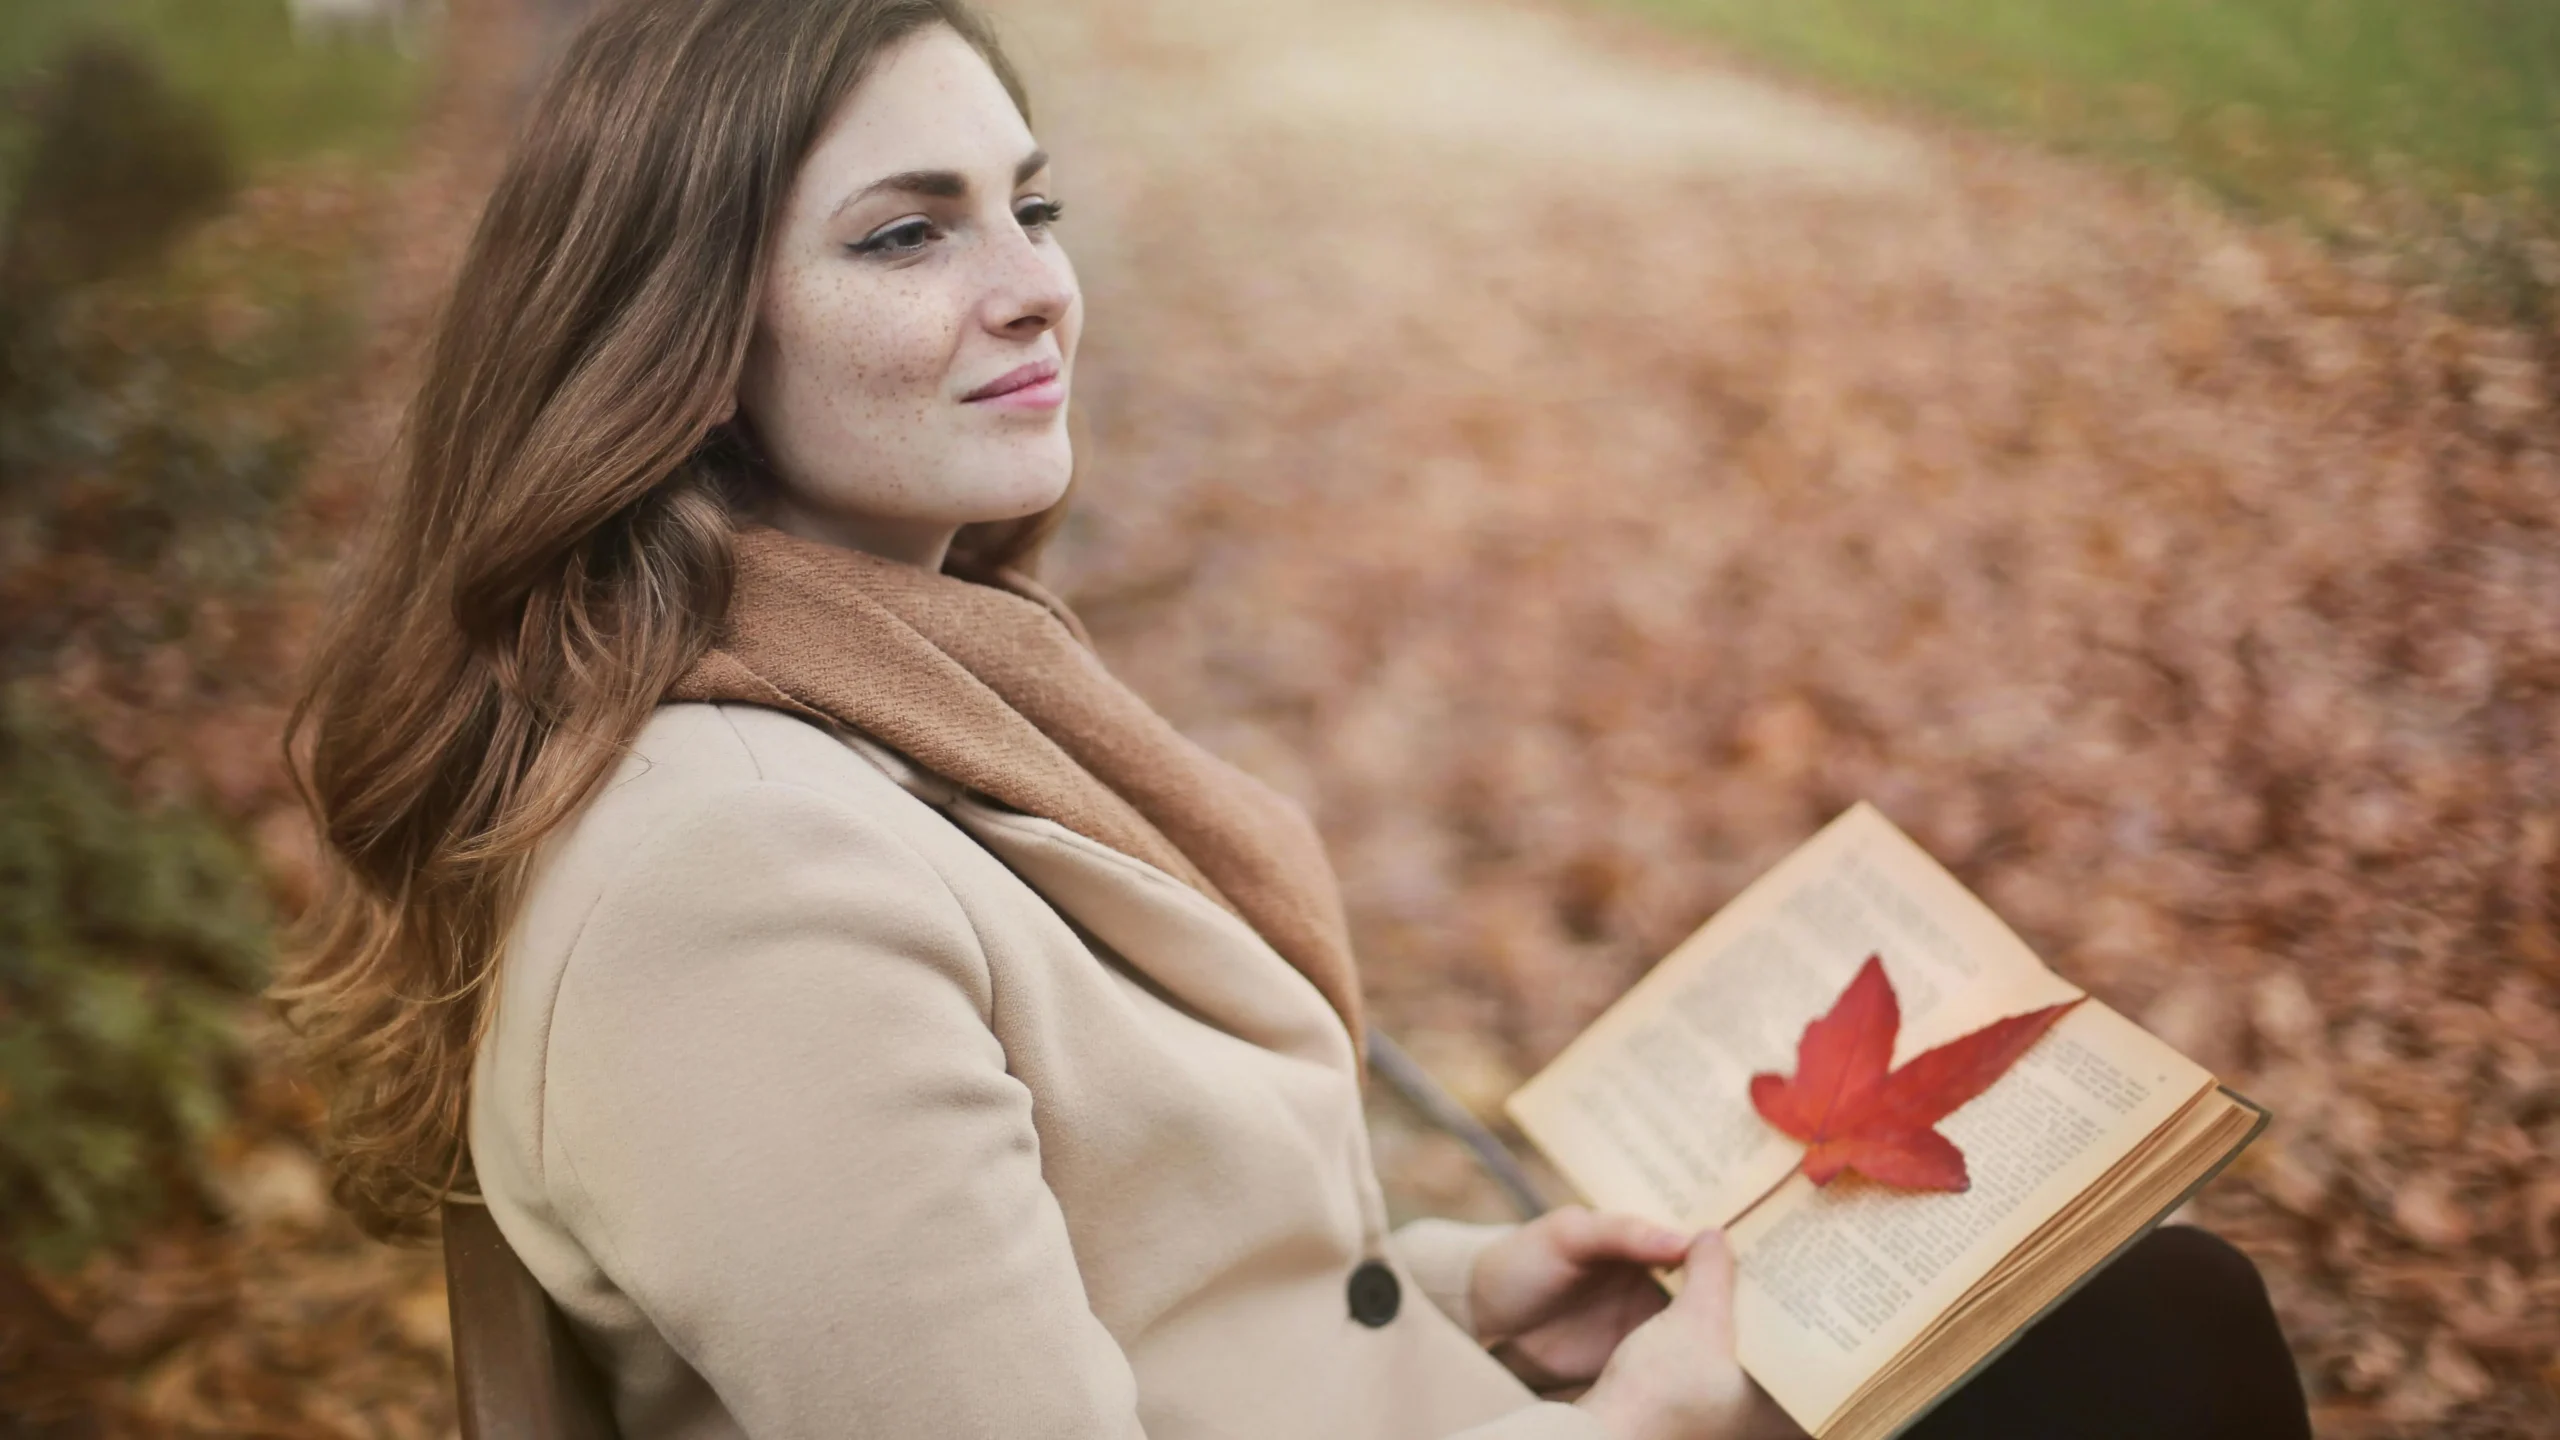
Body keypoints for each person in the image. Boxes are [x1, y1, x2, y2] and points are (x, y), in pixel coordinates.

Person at [280, 2, 2314, 1437]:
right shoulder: (726, 887)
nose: (1032, 288)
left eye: (1031, 206)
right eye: (909, 233)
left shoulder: (885, 689)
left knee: (2134, 1315)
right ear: (679, 343)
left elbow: (1114, 1297)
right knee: (2157, 1351)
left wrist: (1450, 1293)